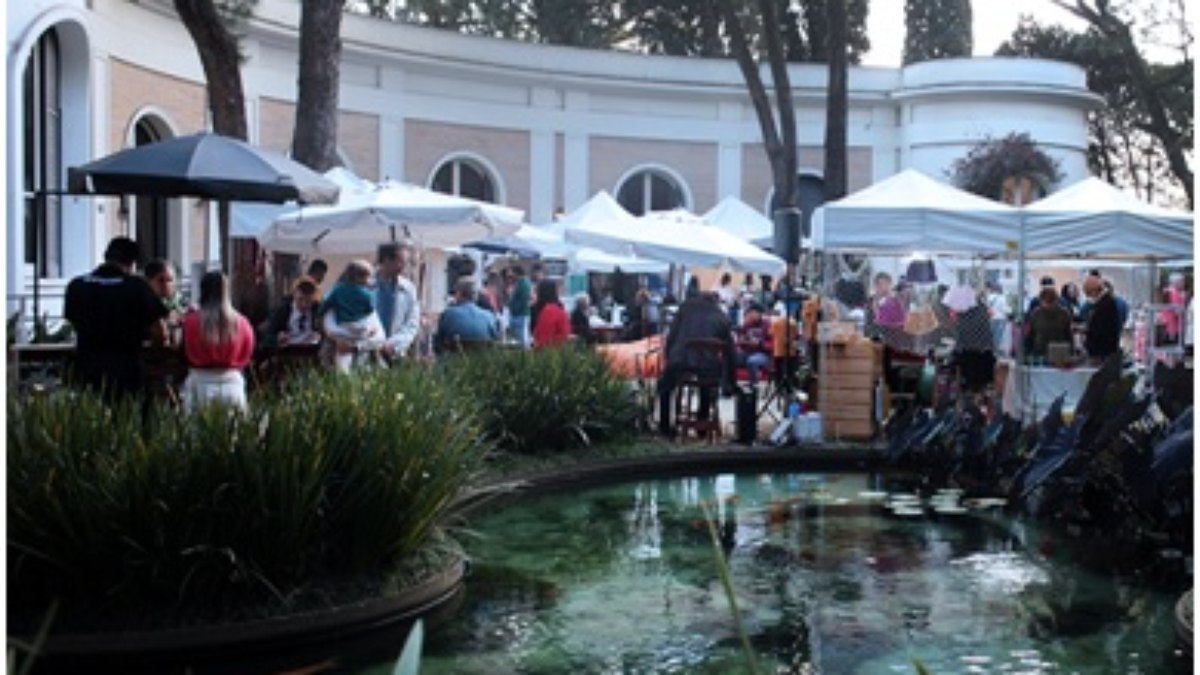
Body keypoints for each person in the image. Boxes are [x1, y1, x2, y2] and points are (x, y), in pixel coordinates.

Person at [64, 237, 169, 399]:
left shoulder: (77, 286)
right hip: (126, 371)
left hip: (87, 368)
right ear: (132, 262)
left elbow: (72, 321)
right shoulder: (136, 287)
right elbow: (159, 330)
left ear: (106, 256)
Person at [657, 291, 736, 438]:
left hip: (680, 361)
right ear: (715, 302)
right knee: (706, 384)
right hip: (708, 367)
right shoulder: (721, 317)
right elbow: (730, 352)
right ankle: (702, 423)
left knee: (664, 387)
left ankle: (665, 427)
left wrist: (668, 359)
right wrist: (729, 382)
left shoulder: (685, 308)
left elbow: (672, 337)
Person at [179, 271, 255, 411]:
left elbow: (183, 352)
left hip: (200, 383)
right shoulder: (243, 323)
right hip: (232, 384)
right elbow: (248, 353)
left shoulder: (191, 322)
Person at [320, 260, 384, 372]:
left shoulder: (336, 292)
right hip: (357, 336)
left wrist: (353, 347)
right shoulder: (367, 296)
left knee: (343, 369)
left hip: (346, 334)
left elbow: (379, 339)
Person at [435, 278, 499, 353]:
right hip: (482, 361)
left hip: (455, 360)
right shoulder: (489, 316)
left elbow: (439, 343)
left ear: (459, 294)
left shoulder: (448, 314)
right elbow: (495, 340)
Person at [263, 275, 322, 349]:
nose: (304, 305)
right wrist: (277, 338)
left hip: (311, 351)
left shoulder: (317, 311)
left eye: (308, 301)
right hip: (288, 351)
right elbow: (267, 338)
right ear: (294, 295)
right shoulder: (282, 311)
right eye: (300, 299)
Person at [1026, 287, 1072, 359]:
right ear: (1041, 301)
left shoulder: (1064, 314)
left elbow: (1068, 335)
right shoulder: (1035, 314)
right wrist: (1027, 353)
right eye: (1046, 302)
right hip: (1039, 353)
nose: (1049, 306)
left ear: (1056, 300)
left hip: (1059, 353)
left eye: (1051, 302)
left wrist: (1071, 353)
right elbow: (1030, 335)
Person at [1082, 274, 1121, 361]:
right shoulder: (1106, 302)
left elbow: (1101, 330)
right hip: (1104, 351)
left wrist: (1087, 331)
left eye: (1088, 294)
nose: (1089, 298)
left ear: (1094, 291)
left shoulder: (1105, 304)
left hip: (1102, 353)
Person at [734, 302, 772, 386]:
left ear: (759, 314)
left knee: (752, 361)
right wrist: (741, 341)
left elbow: (771, 344)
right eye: (750, 313)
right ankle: (730, 384)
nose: (751, 315)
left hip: (763, 354)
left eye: (753, 313)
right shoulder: (746, 325)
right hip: (748, 351)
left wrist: (760, 344)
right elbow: (739, 342)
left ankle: (754, 384)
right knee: (731, 358)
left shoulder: (767, 325)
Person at [531, 279, 571, 348]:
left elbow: (541, 334)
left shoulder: (546, 310)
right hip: (557, 346)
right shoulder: (559, 306)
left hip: (547, 346)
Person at [1158, 272, 1187, 343]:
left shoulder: (1167, 291)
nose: (1183, 283)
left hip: (1167, 324)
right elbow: (1177, 311)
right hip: (1174, 326)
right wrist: (1183, 299)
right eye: (1182, 281)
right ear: (1176, 282)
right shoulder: (1175, 293)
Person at [508, 265, 532, 347]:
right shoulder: (519, 283)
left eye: (511, 273)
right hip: (517, 315)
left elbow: (524, 300)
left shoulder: (524, 284)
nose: (510, 275)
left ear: (516, 273)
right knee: (518, 339)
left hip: (521, 315)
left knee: (522, 340)